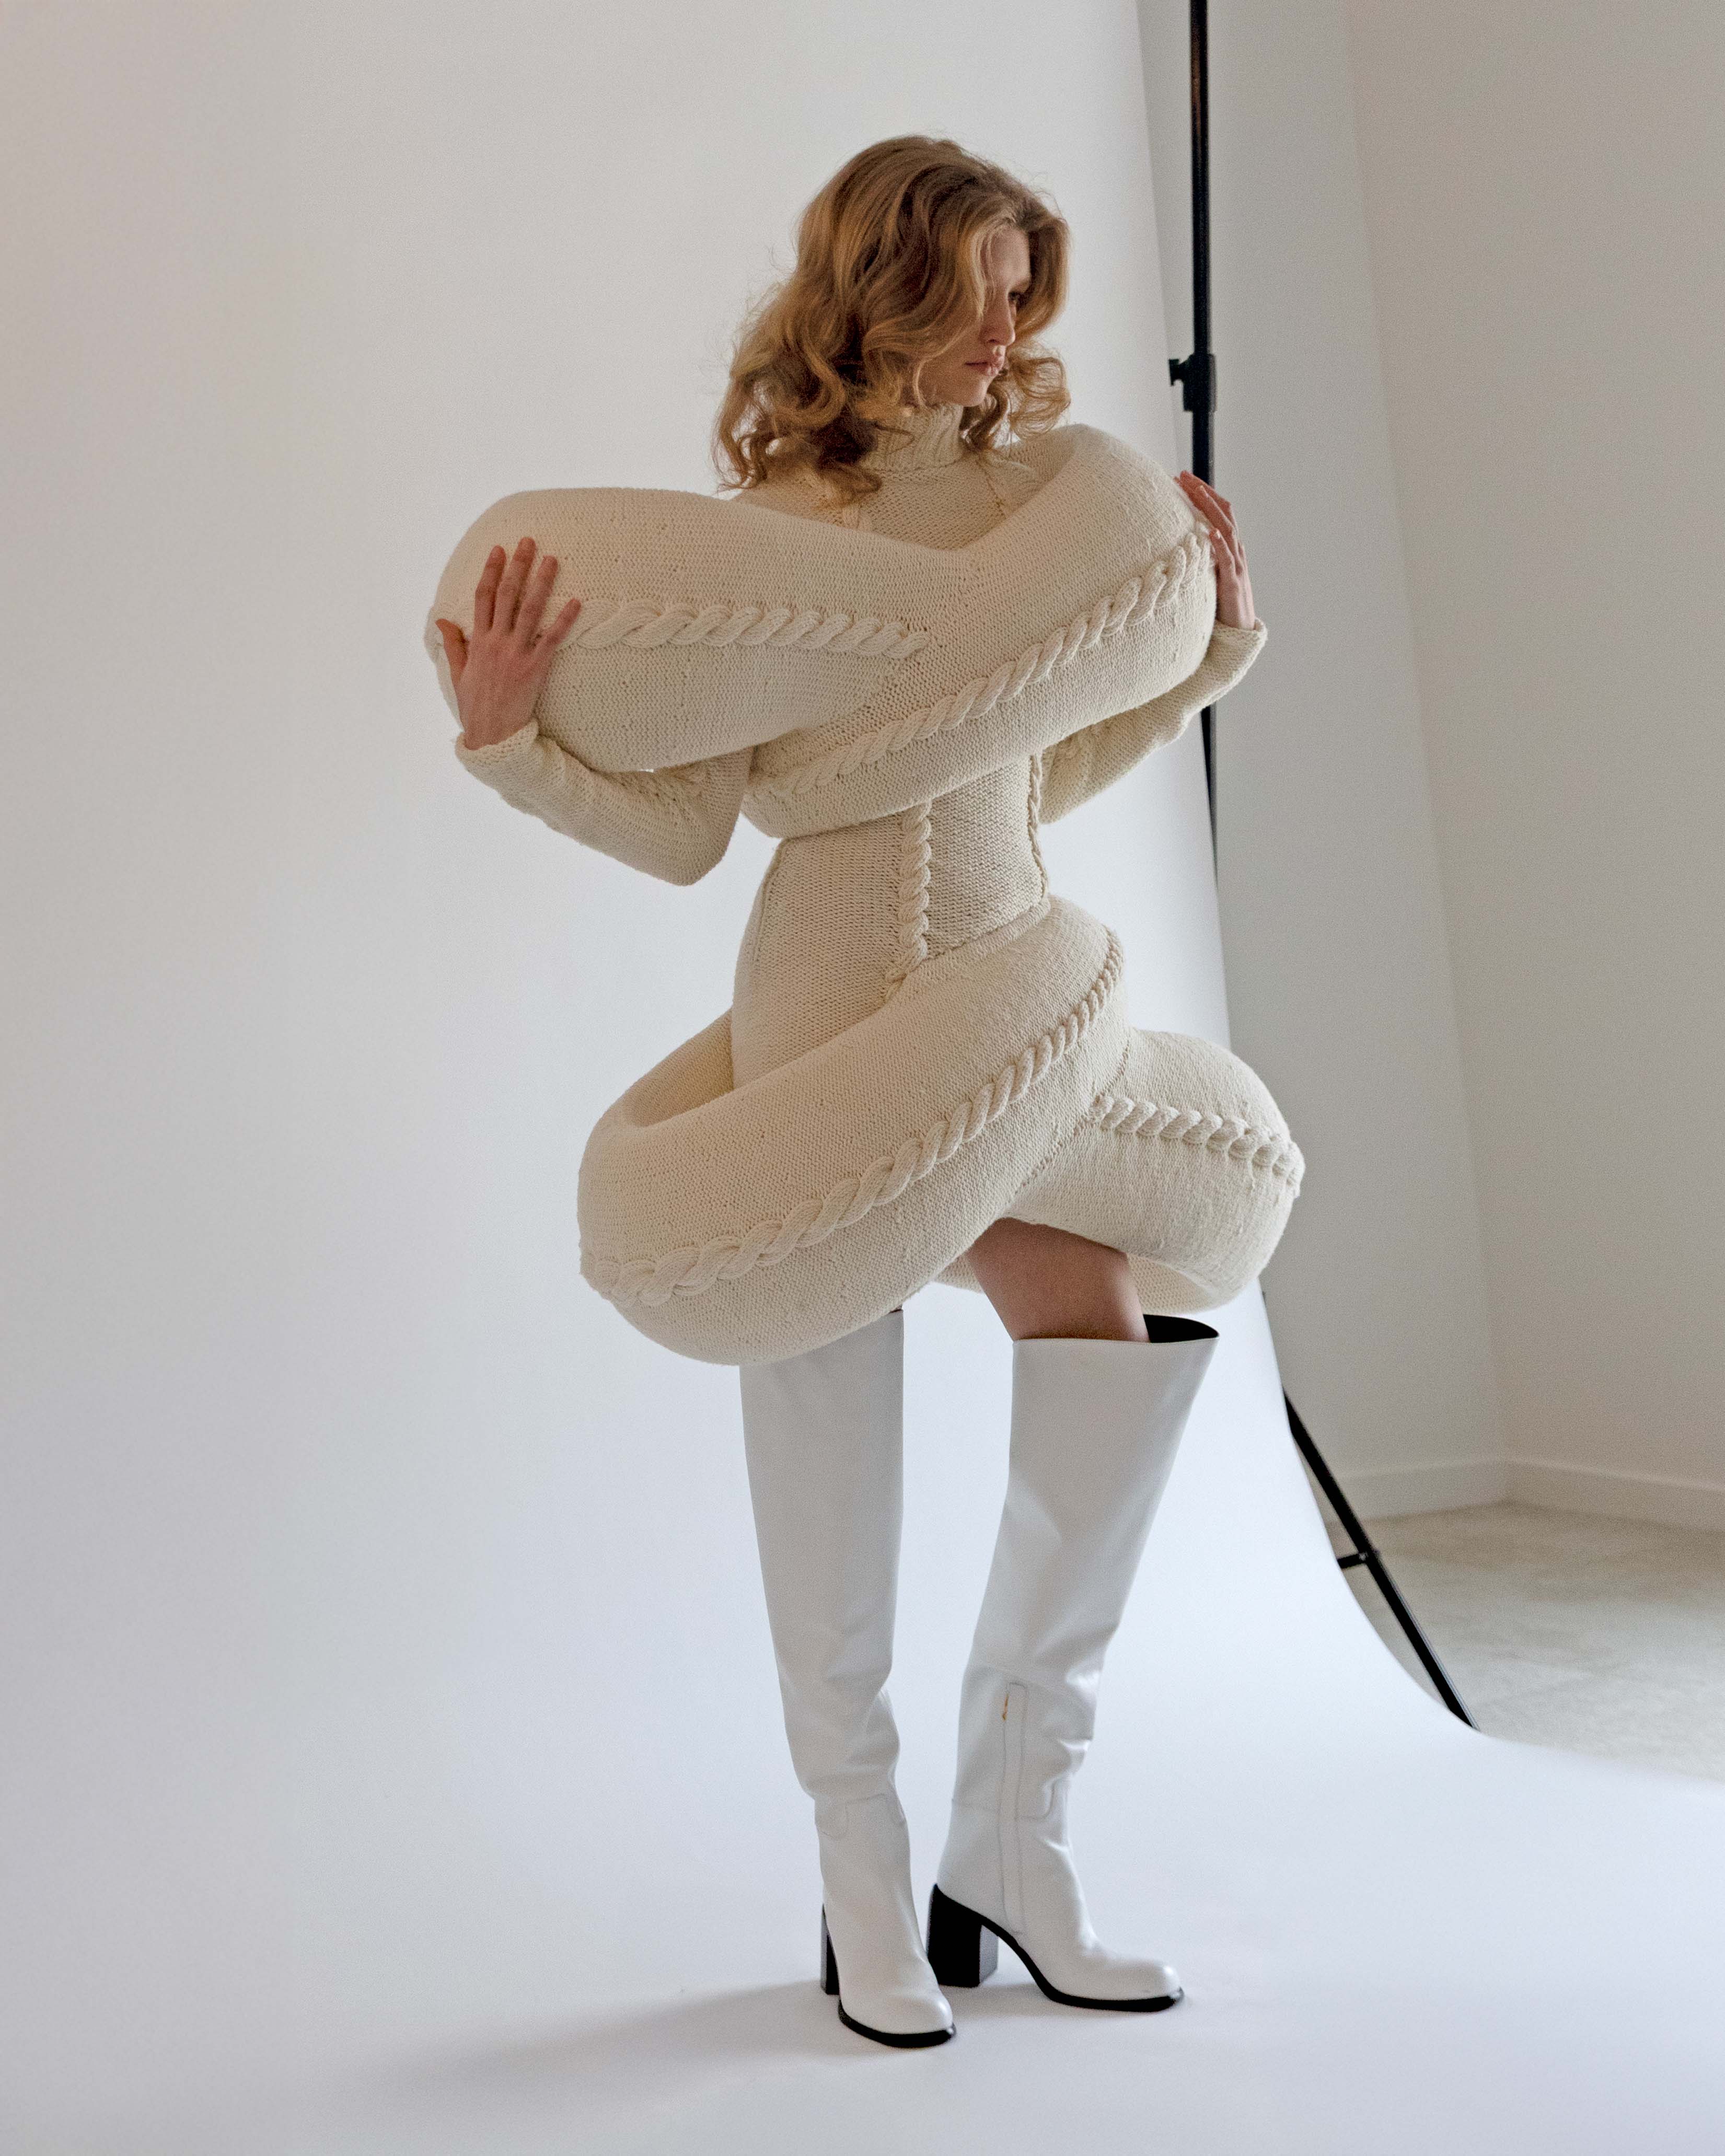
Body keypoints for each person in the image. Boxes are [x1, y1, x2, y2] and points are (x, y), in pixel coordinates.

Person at [433, 136, 1297, 2050]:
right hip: (824, 999)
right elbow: (687, 831)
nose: (1009, 331)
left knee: (1096, 1309)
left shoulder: (1044, 508)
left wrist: (1207, 647)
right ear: (888, 286)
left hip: (1009, 969)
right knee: (825, 1364)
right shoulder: (778, 523)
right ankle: (859, 1875)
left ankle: (1015, 1847)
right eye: (980, 290)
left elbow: (1032, 771)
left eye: (1024, 295)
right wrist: (517, 749)